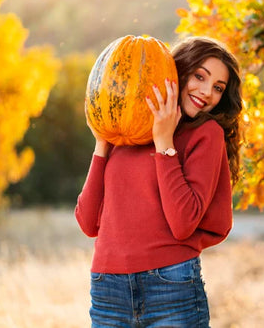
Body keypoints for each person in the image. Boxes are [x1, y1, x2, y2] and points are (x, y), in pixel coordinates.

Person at [75, 36, 243, 327]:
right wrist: (101, 145)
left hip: (170, 284)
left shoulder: (206, 134)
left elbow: (183, 223)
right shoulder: (126, 126)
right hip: (108, 288)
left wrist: (164, 142)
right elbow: (88, 223)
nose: (206, 92)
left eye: (218, 88)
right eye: (199, 76)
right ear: (178, 72)